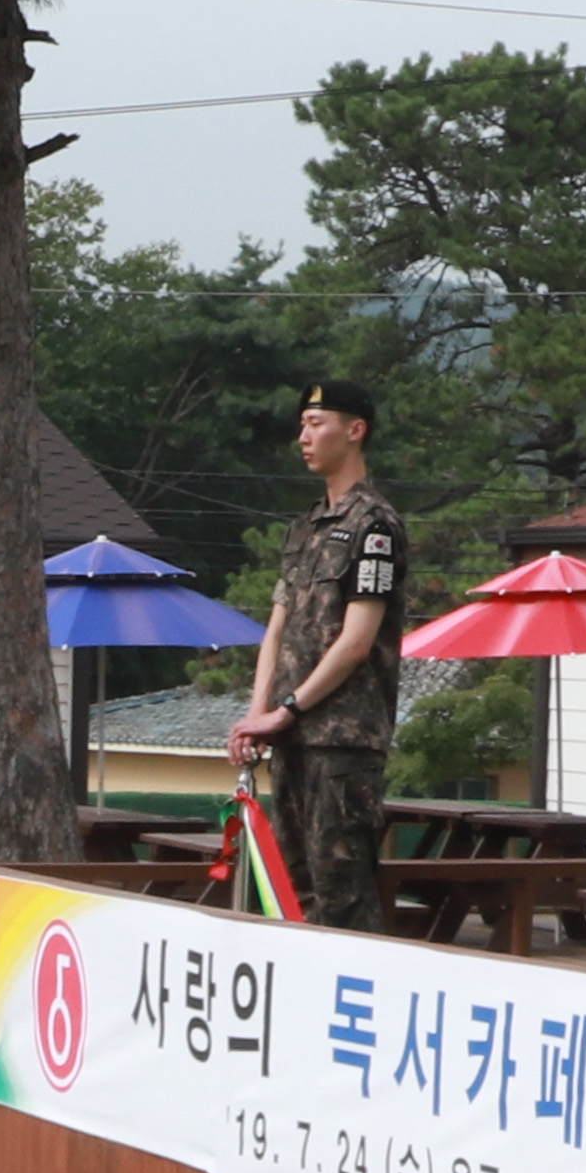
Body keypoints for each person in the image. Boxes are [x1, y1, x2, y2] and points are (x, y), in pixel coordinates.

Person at [230, 376, 406, 932]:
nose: (303, 437)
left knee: (343, 898)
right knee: (289, 892)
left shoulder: (374, 526)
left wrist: (287, 709)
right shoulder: (305, 528)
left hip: (342, 742)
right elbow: (276, 629)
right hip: (292, 738)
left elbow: (356, 642)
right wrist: (260, 716)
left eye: (316, 424)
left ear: (355, 431)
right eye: (301, 426)